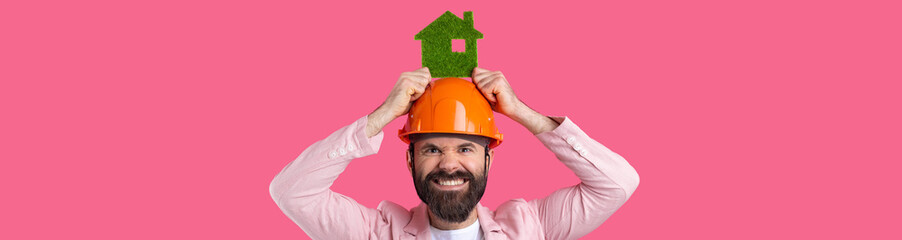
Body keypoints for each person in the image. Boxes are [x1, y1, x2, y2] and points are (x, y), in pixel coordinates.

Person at [270, 67, 640, 240]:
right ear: (410, 159)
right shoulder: (374, 233)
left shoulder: (531, 228)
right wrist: (382, 116)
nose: (449, 164)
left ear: (488, 158)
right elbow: (290, 192)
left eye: (465, 148)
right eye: (431, 149)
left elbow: (618, 183)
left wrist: (523, 113)